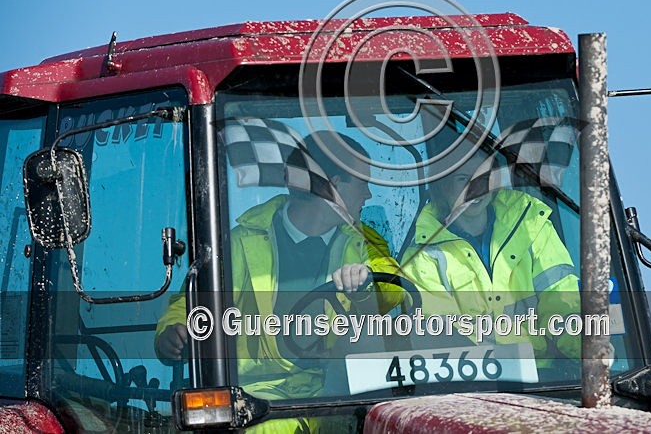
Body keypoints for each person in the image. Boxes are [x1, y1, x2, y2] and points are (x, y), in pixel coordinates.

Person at [155, 130, 402, 432]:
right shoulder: (241, 243)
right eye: (363, 183)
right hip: (263, 393)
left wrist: (365, 284)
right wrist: (172, 332)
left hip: (340, 390)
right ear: (335, 187)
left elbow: (393, 289)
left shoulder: (364, 242)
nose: (369, 195)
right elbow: (194, 303)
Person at [401, 137, 581, 364]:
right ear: (443, 186)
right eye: (462, 179)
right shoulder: (421, 258)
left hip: (549, 379)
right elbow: (445, 335)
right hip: (476, 386)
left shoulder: (532, 225)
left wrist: (588, 355)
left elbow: (562, 300)